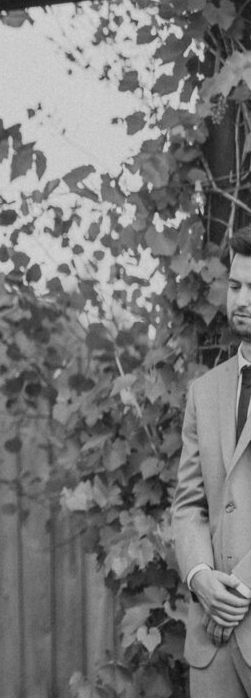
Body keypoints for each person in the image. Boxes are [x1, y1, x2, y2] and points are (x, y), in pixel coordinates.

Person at [173, 225, 251, 695]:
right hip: (211, 647)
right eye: (237, 285)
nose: (242, 299)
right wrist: (201, 578)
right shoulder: (205, 392)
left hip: (230, 615)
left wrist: (234, 594)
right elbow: (189, 505)